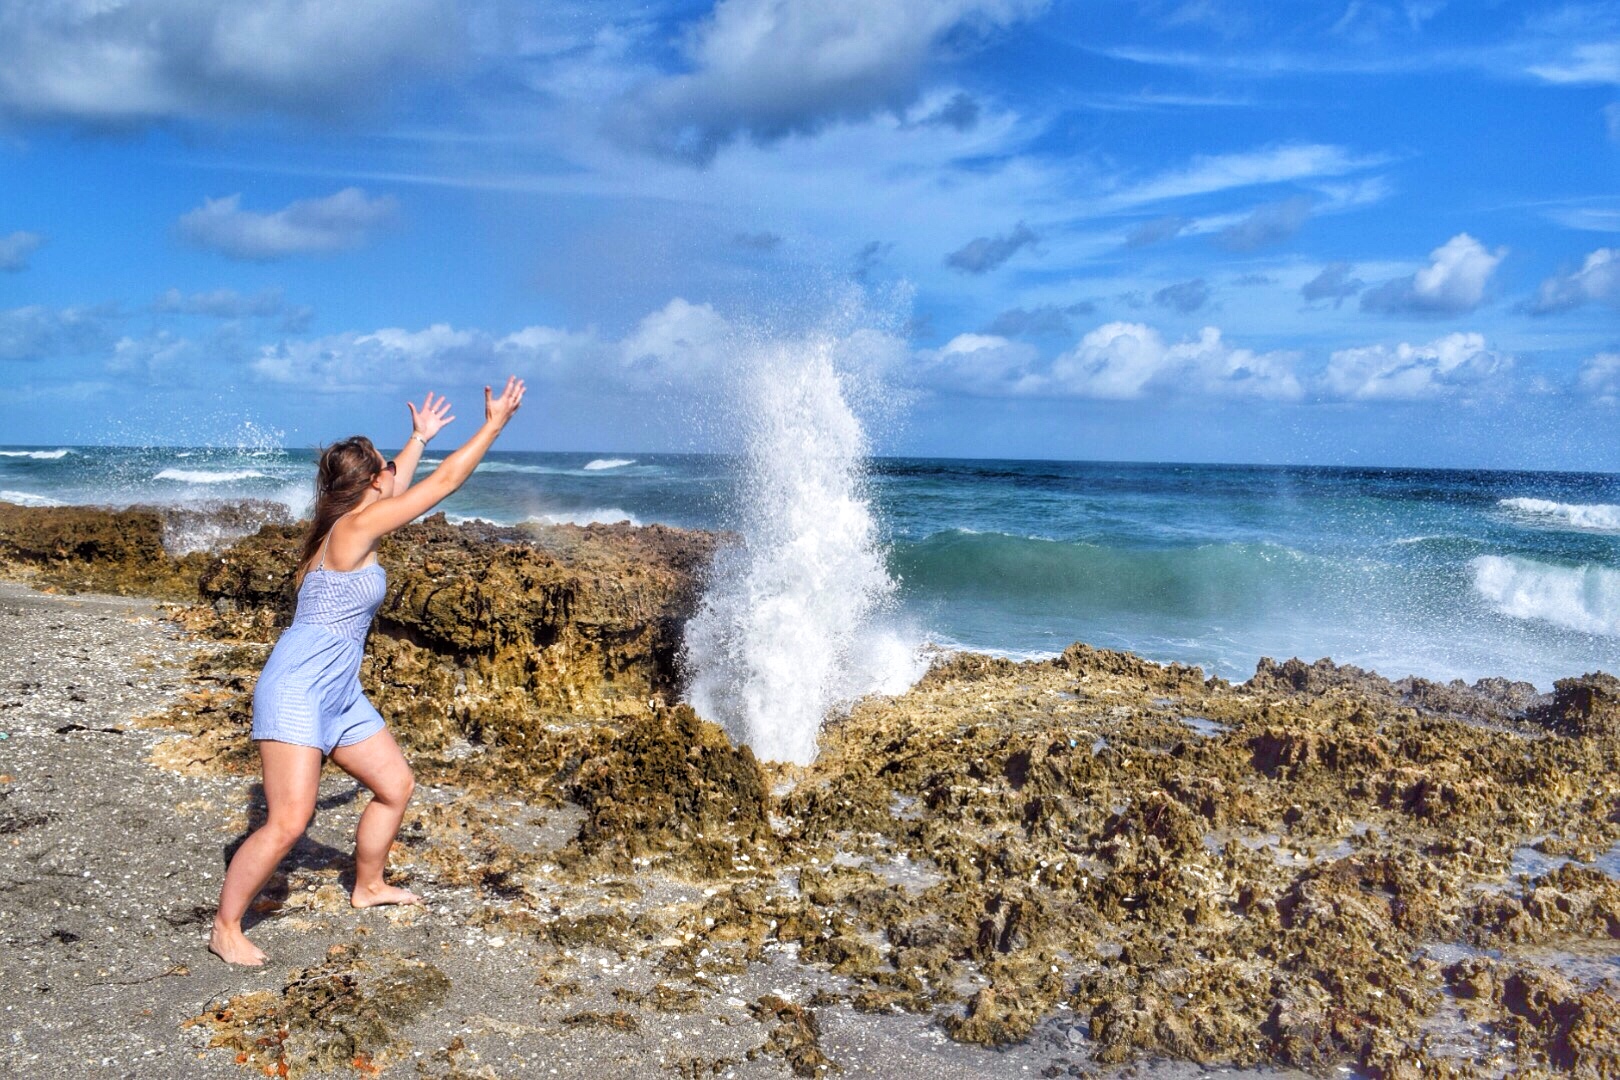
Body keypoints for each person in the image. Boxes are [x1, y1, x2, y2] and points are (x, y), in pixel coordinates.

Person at [209, 377, 527, 966]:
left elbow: (403, 478)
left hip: (340, 693)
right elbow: (442, 485)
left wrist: (416, 438)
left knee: (394, 786)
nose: (392, 474)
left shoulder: (356, 516)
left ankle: (368, 885)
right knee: (287, 822)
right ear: (370, 483)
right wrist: (494, 425)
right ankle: (226, 926)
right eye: (385, 468)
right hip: (299, 689)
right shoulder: (354, 530)